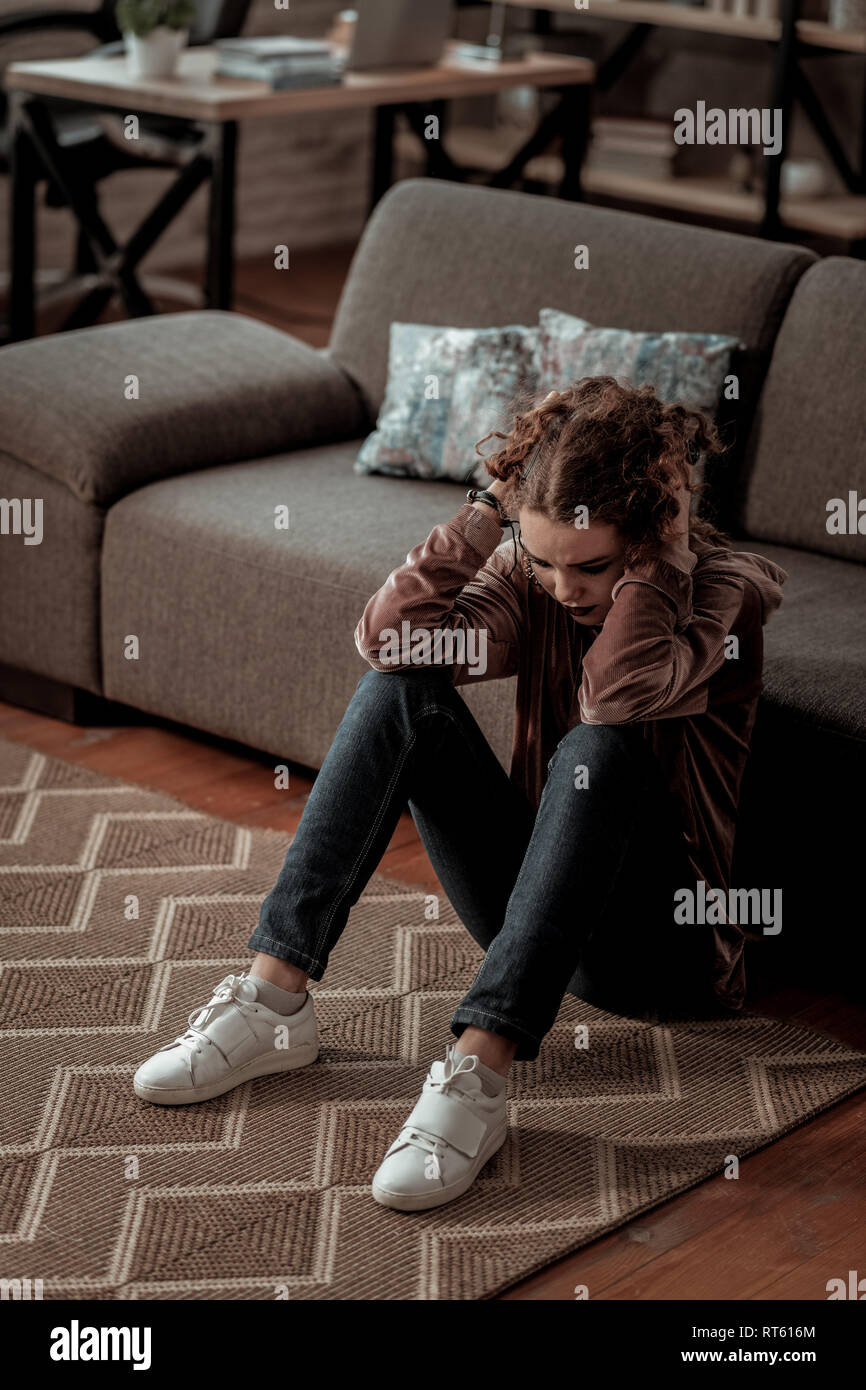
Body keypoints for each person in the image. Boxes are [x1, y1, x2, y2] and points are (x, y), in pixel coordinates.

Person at [133, 377, 787, 1213]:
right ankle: (272, 1002)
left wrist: (655, 565)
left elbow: (615, 698)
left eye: (589, 566)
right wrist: (486, 517)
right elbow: (388, 639)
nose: (563, 589)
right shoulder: (537, 577)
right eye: (543, 560)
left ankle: (478, 1076)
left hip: (664, 951)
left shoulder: (722, 592)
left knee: (601, 751)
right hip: (534, 919)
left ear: (648, 537)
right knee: (398, 692)